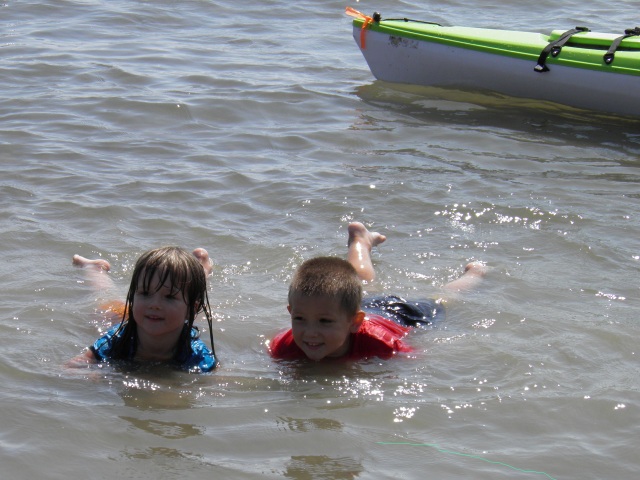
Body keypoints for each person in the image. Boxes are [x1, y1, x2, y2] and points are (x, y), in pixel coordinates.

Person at [268, 222, 486, 361]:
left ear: (355, 322)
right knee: (360, 281)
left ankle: (474, 274)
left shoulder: (381, 342)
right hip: (355, 307)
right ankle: (360, 241)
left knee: (443, 299)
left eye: (324, 322)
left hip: (401, 314)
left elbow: (414, 359)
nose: (310, 331)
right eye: (300, 318)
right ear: (291, 312)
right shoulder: (283, 346)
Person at [68, 246, 218, 373]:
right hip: (120, 316)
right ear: (133, 296)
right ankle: (95, 269)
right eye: (145, 293)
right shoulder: (118, 338)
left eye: (170, 297)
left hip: (177, 314)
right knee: (104, 299)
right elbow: (80, 363)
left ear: (192, 308)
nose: (154, 304)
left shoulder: (196, 353)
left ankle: (201, 267)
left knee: (189, 290)